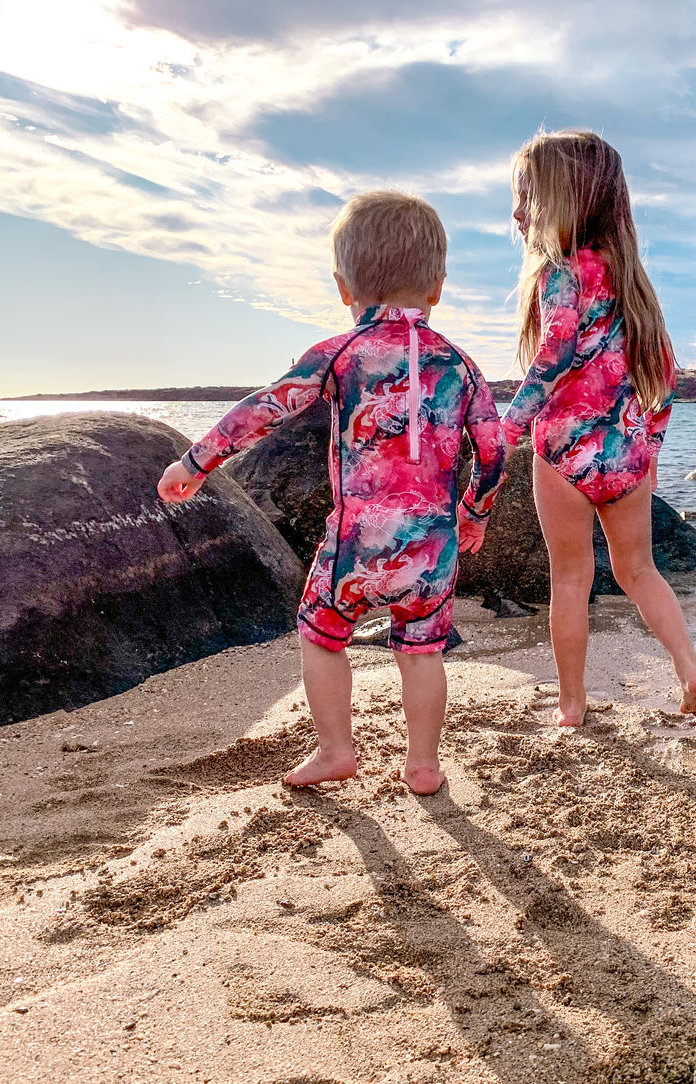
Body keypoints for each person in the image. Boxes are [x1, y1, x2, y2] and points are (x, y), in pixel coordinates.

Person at [156, 191, 505, 793]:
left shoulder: (339, 354)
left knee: (320, 634)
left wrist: (198, 459)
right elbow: (494, 449)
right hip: (432, 548)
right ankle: (422, 765)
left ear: (345, 288)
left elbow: (267, 408)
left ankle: (335, 750)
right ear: (438, 288)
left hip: (356, 543)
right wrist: (474, 511)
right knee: (422, 651)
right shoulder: (462, 365)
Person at [501, 129, 696, 728]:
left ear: (565, 201)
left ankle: (572, 707)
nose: (518, 214)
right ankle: (689, 664)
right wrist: (651, 445)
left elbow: (553, 357)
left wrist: (505, 428)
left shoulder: (561, 274)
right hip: (625, 452)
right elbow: (666, 375)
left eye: (527, 198)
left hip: (565, 450)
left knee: (570, 580)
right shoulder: (631, 281)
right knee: (638, 571)